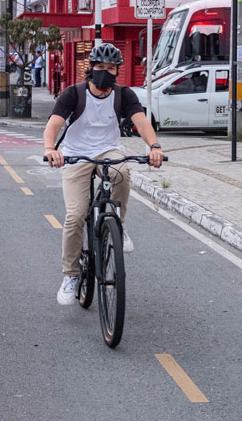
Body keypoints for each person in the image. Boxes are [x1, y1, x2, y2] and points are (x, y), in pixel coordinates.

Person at [42, 43, 165, 306]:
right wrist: (51, 149)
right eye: (100, 68)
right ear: (91, 69)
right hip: (75, 154)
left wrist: (154, 146)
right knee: (75, 216)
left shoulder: (123, 95)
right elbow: (53, 124)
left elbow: (141, 121)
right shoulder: (73, 94)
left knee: (122, 171)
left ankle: (117, 224)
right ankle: (70, 276)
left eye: (111, 68)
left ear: (117, 71)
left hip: (108, 150)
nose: (105, 73)